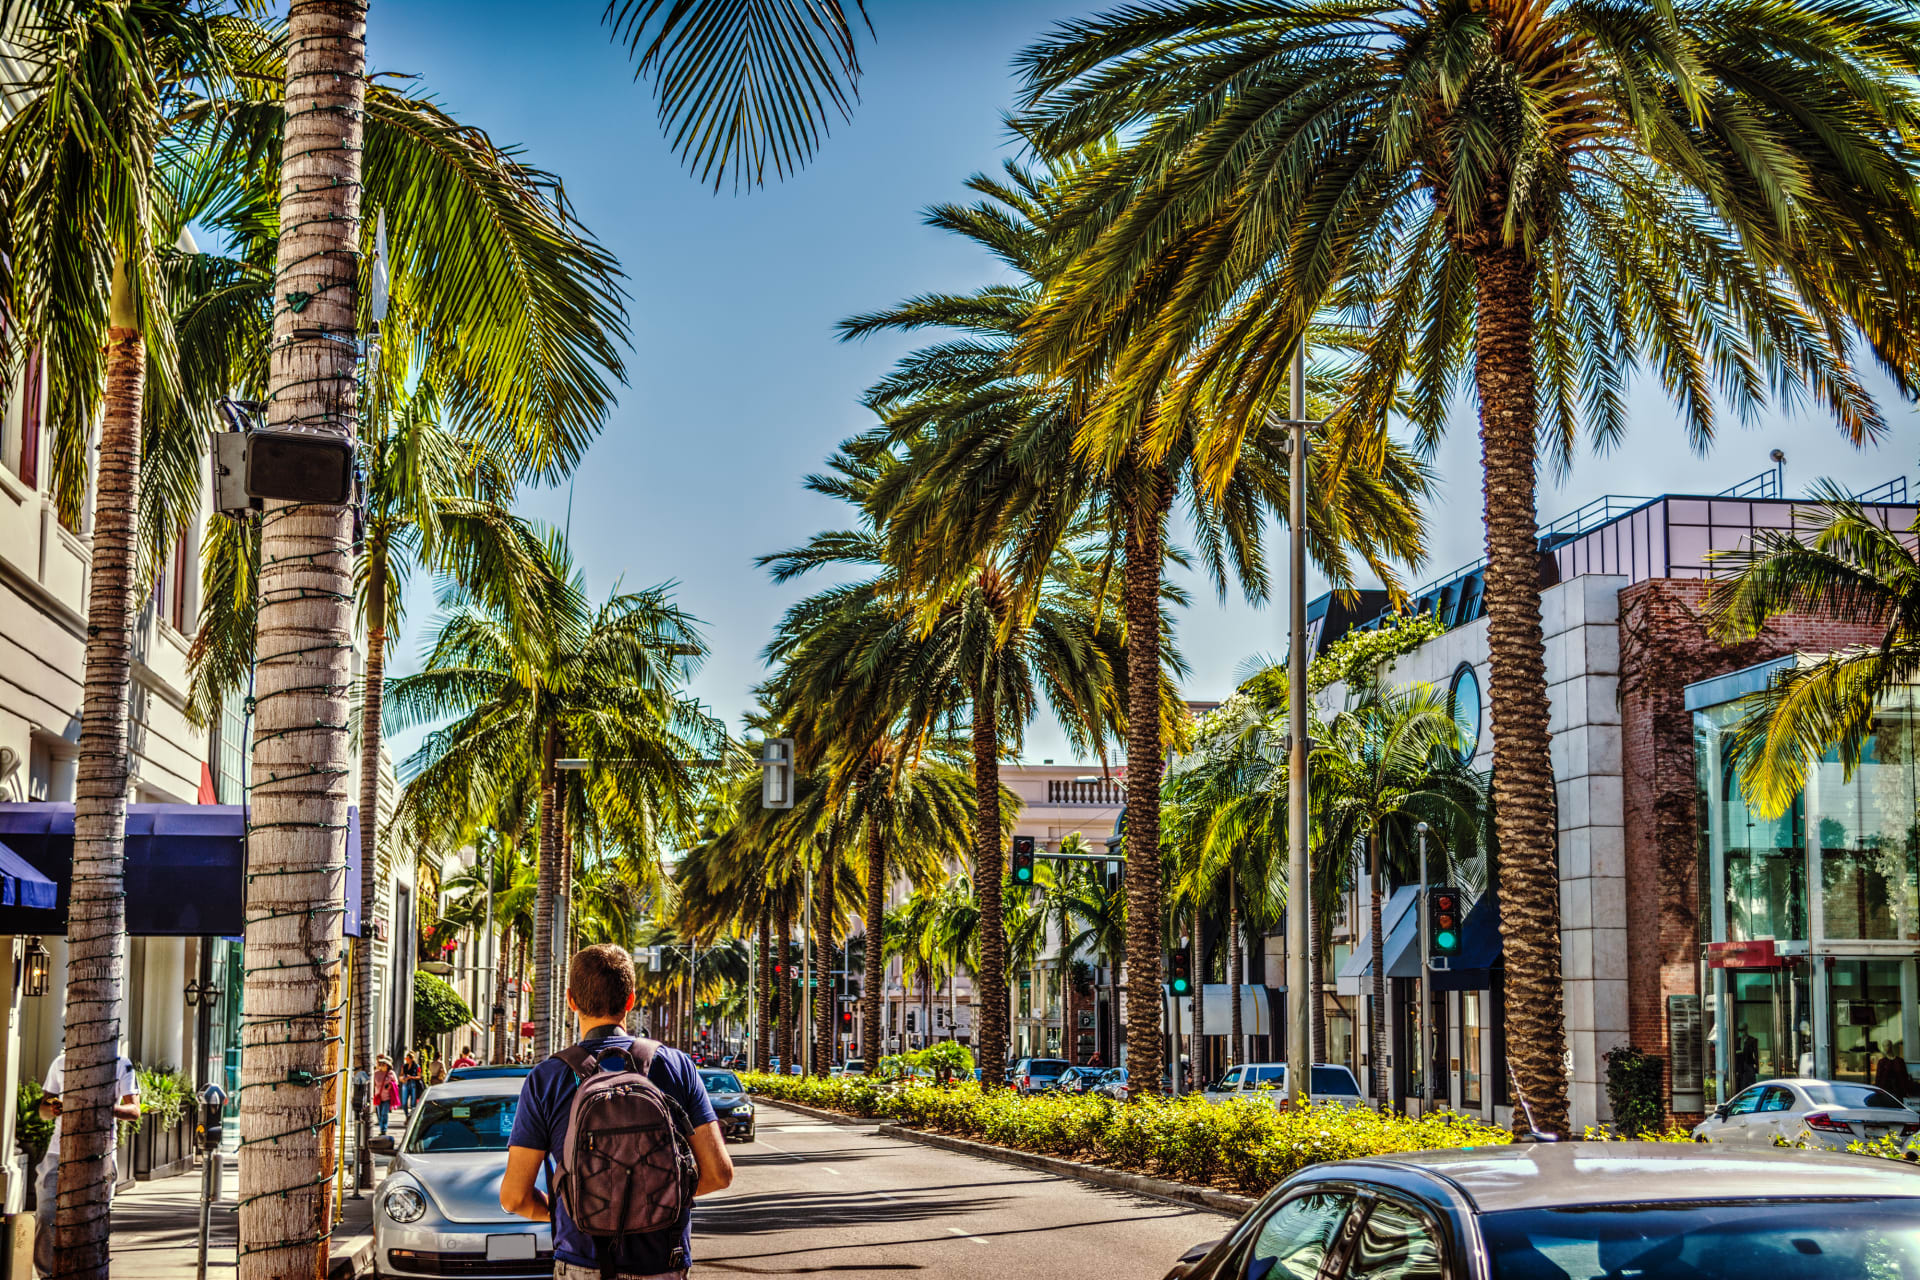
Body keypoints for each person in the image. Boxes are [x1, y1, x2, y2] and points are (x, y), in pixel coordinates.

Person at [502, 944, 732, 1279]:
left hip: (582, 1263)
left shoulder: (547, 1078)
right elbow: (718, 1174)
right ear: (630, 1001)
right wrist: (652, 1199)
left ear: (570, 1001)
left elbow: (514, 1198)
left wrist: (583, 1203)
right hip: (662, 1264)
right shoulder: (676, 1066)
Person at [35, 1048, 141, 1278]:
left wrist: (101, 1109)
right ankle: (46, 1275)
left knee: (95, 1221)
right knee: (45, 1216)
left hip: (99, 1153)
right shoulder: (60, 1062)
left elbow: (134, 1110)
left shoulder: (121, 1064)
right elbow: (44, 1110)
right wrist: (54, 1107)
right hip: (58, 1152)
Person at [371, 1056, 401, 1135]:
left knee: (384, 1114)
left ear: (388, 1065)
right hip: (378, 1097)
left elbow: (396, 1083)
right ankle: (382, 1128)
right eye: (381, 1064)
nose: (382, 1066)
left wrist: (391, 1085)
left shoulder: (391, 1073)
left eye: (384, 1064)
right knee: (380, 1115)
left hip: (387, 1098)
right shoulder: (376, 1073)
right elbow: (373, 1084)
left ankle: (383, 1130)